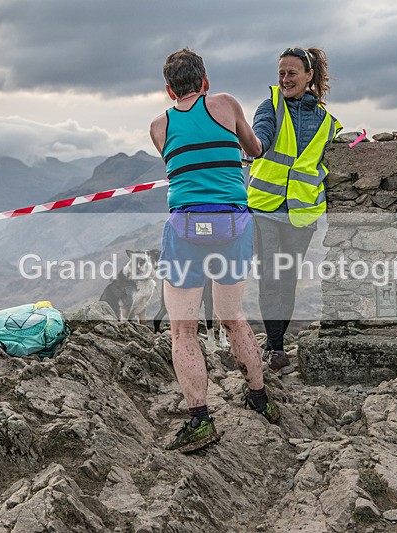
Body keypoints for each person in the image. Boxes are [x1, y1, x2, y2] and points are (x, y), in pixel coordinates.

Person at [149, 49, 279, 454]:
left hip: (187, 228)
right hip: (232, 224)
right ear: (205, 81)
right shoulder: (225, 104)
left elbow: (177, 163)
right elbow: (255, 149)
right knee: (234, 316)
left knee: (183, 328)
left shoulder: (159, 125)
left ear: (169, 89)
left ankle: (200, 421)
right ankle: (259, 397)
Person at [248, 47, 341, 374]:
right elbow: (261, 134)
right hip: (265, 209)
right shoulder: (270, 106)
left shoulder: (328, 122)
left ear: (309, 76)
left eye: (292, 73)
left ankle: (276, 341)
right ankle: (275, 347)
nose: (285, 79)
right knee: (270, 277)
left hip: (301, 214)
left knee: (287, 279)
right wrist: (254, 145)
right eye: (281, 73)